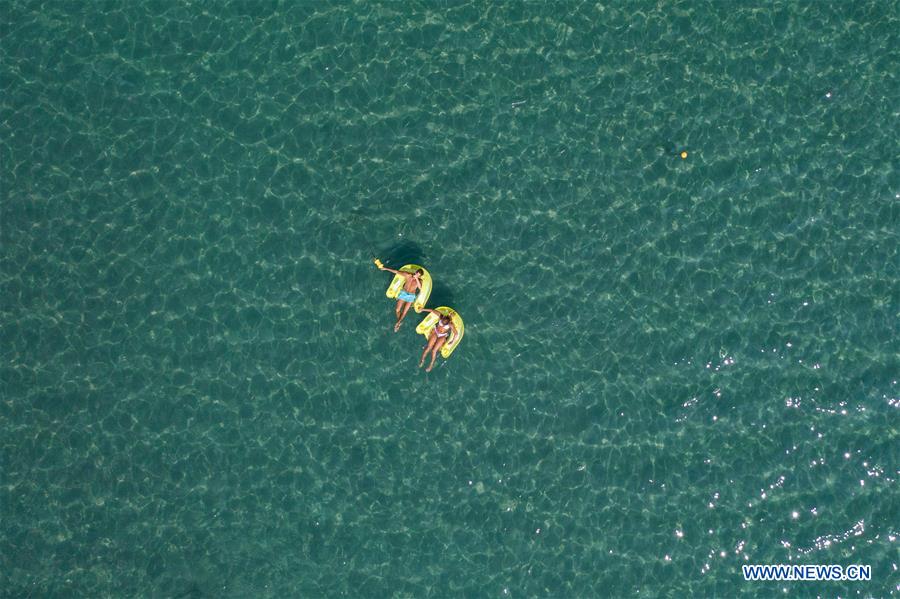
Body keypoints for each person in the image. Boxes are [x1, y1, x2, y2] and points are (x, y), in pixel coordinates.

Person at [377, 263, 424, 331]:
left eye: (418, 275)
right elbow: (396, 271)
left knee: (404, 312)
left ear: (419, 276)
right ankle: (398, 323)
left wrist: (416, 278)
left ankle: (398, 323)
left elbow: (420, 288)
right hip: (403, 294)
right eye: (416, 273)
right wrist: (386, 268)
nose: (416, 275)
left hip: (411, 296)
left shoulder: (419, 281)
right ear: (415, 272)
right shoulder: (408, 275)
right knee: (397, 310)